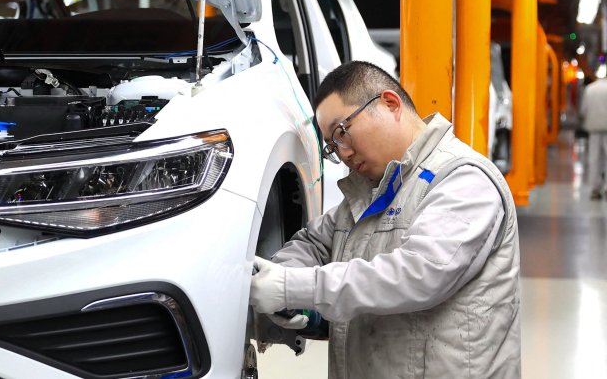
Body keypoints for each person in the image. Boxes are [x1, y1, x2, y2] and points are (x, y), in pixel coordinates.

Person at [248, 61, 521, 379]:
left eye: (342, 132)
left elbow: (418, 275)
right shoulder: (370, 193)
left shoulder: (462, 179)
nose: (344, 153)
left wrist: (292, 286)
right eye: (333, 147)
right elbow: (313, 242)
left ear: (389, 103)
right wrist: (292, 290)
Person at [579, 75, 607, 199]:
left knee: (594, 158)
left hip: (593, 128)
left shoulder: (590, 89)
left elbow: (583, 109)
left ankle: (595, 189)